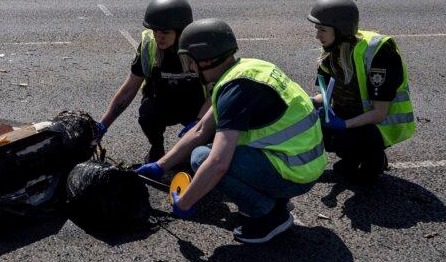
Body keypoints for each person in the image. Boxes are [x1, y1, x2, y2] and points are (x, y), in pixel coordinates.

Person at [137, 19, 326, 244]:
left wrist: (184, 202)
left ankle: (269, 215)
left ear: (205, 60)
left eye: (191, 61)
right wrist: (160, 166)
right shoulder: (243, 71)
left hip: (295, 172)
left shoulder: (234, 91)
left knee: (202, 158)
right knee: (205, 152)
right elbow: (200, 130)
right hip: (302, 162)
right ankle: (275, 199)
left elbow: (218, 163)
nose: (190, 68)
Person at [307, 0, 415, 183]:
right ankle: (352, 156)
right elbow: (324, 91)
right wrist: (306, 104)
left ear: (340, 30)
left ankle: (374, 159)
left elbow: (379, 114)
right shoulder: (331, 50)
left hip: (382, 125)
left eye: (322, 30)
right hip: (352, 115)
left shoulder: (379, 54)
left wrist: (342, 125)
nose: (317, 36)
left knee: (343, 140)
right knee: (309, 125)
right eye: (317, 30)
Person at [96, 0, 205, 163]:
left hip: (196, 106)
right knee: (147, 112)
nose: (158, 37)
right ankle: (157, 147)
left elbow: (216, 93)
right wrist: (102, 125)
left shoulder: (199, 49)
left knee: (198, 157)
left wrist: (200, 124)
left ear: (181, 30)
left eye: (165, 32)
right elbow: (129, 88)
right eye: (155, 31)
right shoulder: (149, 46)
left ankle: (191, 148)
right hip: (163, 103)